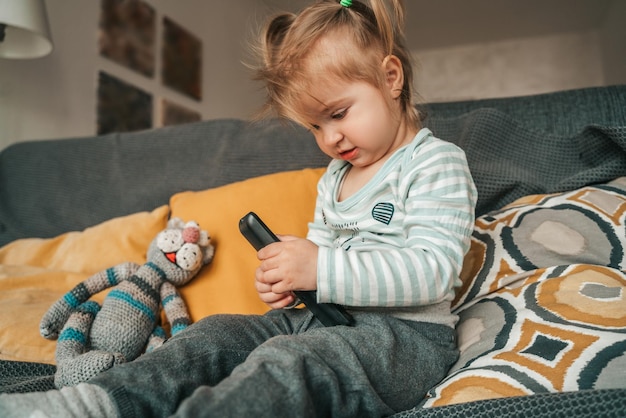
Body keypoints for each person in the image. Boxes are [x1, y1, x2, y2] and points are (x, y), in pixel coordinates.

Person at [0, 0, 476, 417]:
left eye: (338, 113)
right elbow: (320, 260)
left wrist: (320, 268)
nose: (329, 138)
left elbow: (432, 272)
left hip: (403, 338)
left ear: (391, 79)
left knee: (286, 366)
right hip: (320, 319)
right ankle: (89, 404)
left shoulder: (435, 162)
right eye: (314, 126)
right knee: (214, 335)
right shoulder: (336, 177)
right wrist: (291, 283)